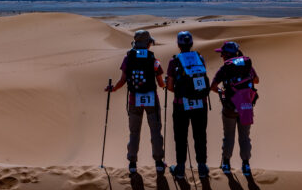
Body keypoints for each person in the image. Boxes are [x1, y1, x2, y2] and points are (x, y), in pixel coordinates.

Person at [105, 30, 165, 173]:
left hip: (134, 99)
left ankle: (132, 163)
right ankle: (158, 162)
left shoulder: (128, 58)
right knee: (155, 131)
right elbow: (160, 82)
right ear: (148, 44)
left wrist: (113, 89)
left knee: (134, 132)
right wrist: (166, 84)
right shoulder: (153, 59)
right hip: (151, 99)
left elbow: (123, 80)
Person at [209, 41, 259, 176]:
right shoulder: (247, 64)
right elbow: (256, 80)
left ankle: (226, 163)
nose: (221, 57)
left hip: (230, 107)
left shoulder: (224, 68)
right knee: (245, 137)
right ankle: (246, 165)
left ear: (226, 54)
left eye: (222, 54)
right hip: (246, 107)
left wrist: (222, 92)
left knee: (228, 136)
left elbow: (213, 86)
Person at [166, 31, 210, 179]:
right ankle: (202, 167)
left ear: (178, 44)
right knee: (200, 135)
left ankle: (180, 168)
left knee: (180, 136)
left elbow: (170, 87)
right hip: (200, 103)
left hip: (180, 104)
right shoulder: (200, 58)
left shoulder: (174, 61)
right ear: (191, 44)